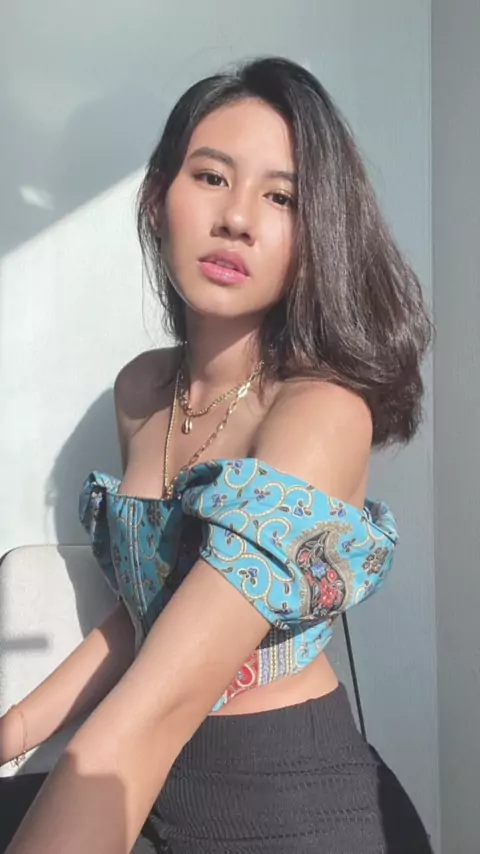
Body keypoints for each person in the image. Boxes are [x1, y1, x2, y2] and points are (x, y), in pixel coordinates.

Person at [0, 57, 433, 853]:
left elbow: (154, 708)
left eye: (281, 197)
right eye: (211, 177)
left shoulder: (321, 415)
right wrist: (18, 726)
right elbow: (151, 619)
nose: (237, 218)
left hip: (287, 804)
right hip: (155, 777)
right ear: (155, 199)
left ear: (315, 235)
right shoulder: (141, 391)